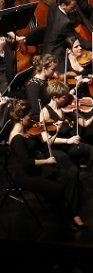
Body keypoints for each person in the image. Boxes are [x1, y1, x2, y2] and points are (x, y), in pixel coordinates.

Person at [7, 99, 87, 230]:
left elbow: (44, 143)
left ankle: (74, 214)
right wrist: (47, 161)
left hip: (35, 169)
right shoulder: (16, 138)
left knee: (71, 177)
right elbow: (26, 163)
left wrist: (56, 131)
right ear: (21, 118)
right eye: (29, 116)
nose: (32, 119)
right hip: (24, 175)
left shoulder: (27, 130)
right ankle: (63, 220)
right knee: (56, 188)